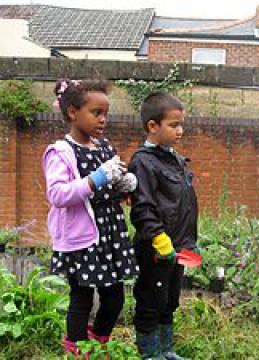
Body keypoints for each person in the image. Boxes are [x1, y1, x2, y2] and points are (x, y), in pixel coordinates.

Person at [43, 79, 139, 355]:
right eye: (96, 113)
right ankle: (76, 348)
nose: (103, 120)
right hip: (82, 237)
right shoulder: (61, 152)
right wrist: (97, 178)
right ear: (73, 112)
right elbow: (58, 195)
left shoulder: (104, 147)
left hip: (110, 234)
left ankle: (97, 342)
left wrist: (122, 184)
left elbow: (108, 185)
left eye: (105, 113)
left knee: (114, 298)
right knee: (82, 297)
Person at [128, 91, 198, 360]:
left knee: (170, 300)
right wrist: (158, 238)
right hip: (155, 248)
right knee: (150, 300)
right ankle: (149, 352)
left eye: (181, 124)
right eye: (173, 125)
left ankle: (167, 349)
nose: (180, 130)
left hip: (179, 247)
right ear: (152, 126)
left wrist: (189, 241)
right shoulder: (143, 162)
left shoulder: (177, 160)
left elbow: (185, 205)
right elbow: (142, 206)